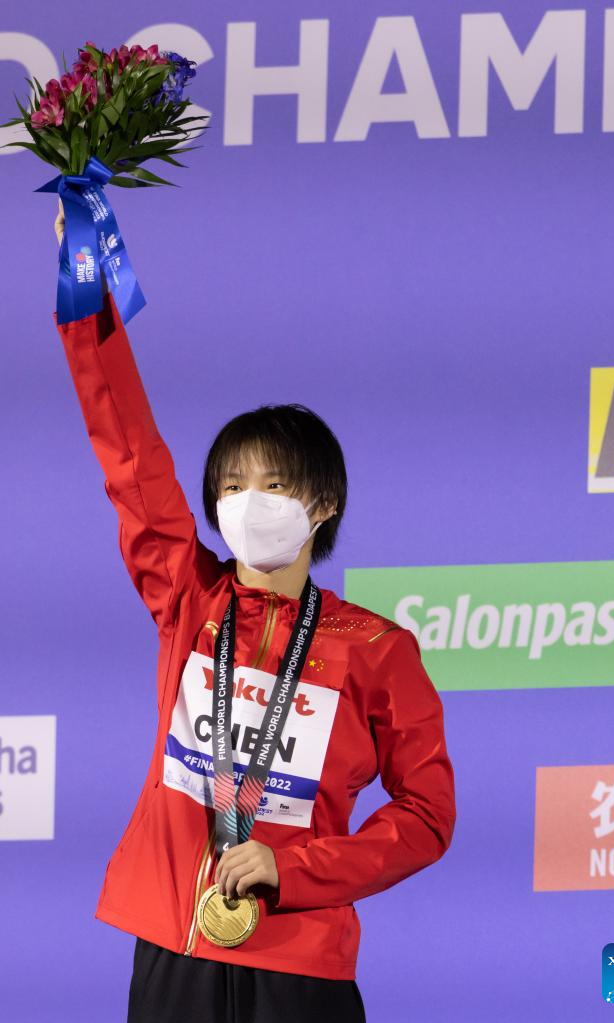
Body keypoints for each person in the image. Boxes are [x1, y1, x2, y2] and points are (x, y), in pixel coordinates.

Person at [52, 198, 456, 1023]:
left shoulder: (377, 647)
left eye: (273, 484)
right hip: (170, 946)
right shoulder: (187, 597)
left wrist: (295, 869)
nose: (248, 502)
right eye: (231, 487)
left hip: (299, 964)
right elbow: (130, 455)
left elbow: (426, 813)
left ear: (324, 503)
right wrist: (86, 308)